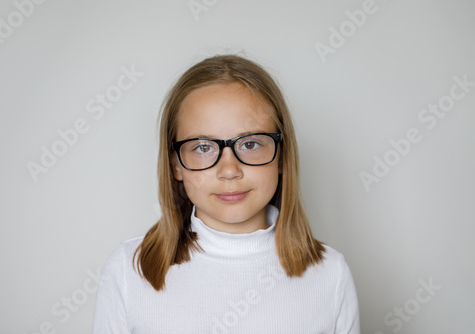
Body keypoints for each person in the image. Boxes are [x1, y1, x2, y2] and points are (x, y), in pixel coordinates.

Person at [92, 54, 360, 333]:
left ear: (282, 157)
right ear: (175, 165)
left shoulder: (331, 274)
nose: (229, 170)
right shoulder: (129, 269)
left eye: (251, 143)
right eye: (203, 147)